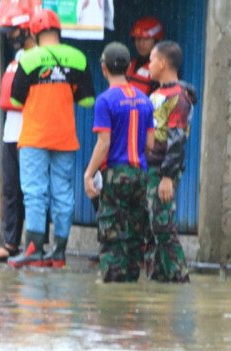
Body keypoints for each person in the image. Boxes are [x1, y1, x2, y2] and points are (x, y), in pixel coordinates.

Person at [8, 9, 95, 269]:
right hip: (64, 136)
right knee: (63, 193)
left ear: (34, 33)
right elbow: (88, 100)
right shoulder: (78, 58)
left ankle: (34, 250)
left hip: (34, 136)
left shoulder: (28, 58)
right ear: (58, 31)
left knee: (35, 193)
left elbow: (14, 100)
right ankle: (58, 253)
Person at [83, 42, 154, 282]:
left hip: (115, 173)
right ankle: (131, 291)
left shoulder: (105, 100)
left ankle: (114, 295)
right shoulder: (145, 99)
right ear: (128, 67)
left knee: (112, 235)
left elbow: (103, 143)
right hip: (140, 174)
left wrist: (89, 173)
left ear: (104, 68)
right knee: (135, 235)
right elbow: (150, 145)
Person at [0, 6, 35, 262]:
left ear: (28, 30)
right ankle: (11, 242)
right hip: (10, 132)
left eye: (15, 30)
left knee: (33, 192)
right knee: (12, 190)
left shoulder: (39, 58)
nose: (11, 35)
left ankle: (36, 244)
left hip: (32, 134)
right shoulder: (16, 59)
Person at [145, 41, 195, 282]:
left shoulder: (178, 97)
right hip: (151, 167)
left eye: (152, 60)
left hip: (163, 169)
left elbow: (177, 139)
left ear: (163, 63)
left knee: (163, 225)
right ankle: (159, 279)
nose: (149, 65)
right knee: (153, 226)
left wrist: (167, 176)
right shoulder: (156, 94)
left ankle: (180, 276)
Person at [127, 16, 165, 96]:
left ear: (157, 41)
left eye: (146, 39)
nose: (141, 44)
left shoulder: (163, 68)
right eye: (138, 39)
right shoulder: (129, 65)